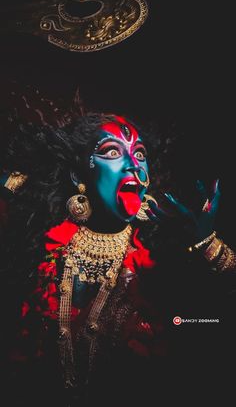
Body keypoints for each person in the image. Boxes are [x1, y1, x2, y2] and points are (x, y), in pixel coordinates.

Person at [0, 111, 235, 406]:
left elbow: (214, 324)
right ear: (78, 175)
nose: (133, 165)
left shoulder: (159, 257)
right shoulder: (40, 241)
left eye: (139, 154)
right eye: (112, 152)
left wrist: (207, 247)